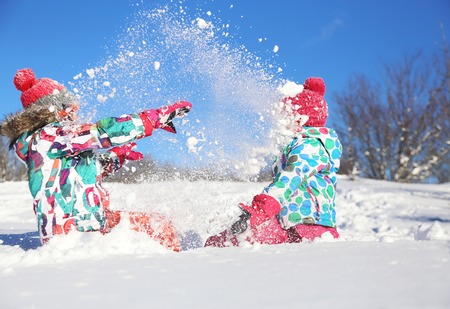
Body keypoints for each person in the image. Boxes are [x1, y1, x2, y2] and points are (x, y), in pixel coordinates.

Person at [0, 68, 192, 251]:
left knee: (156, 223)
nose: (76, 115)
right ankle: (182, 265)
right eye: (71, 110)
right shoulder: (50, 136)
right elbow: (102, 131)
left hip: (84, 222)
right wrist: (154, 118)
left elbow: (82, 173)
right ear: (57, 110)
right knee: (157, 226)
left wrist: (117, 156)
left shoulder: (52, 142)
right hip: (74, 231)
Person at [205, 77, 342, 247]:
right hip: (288, 226)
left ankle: (211, 249)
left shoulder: (311, 146)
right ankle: (213, 246)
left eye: (285, 116)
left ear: (300, 119)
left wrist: (261, 210)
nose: (279, 122)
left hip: (311, 228)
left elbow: (291, 177)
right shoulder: (297, 145)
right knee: (231, 239)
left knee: (235, 241)